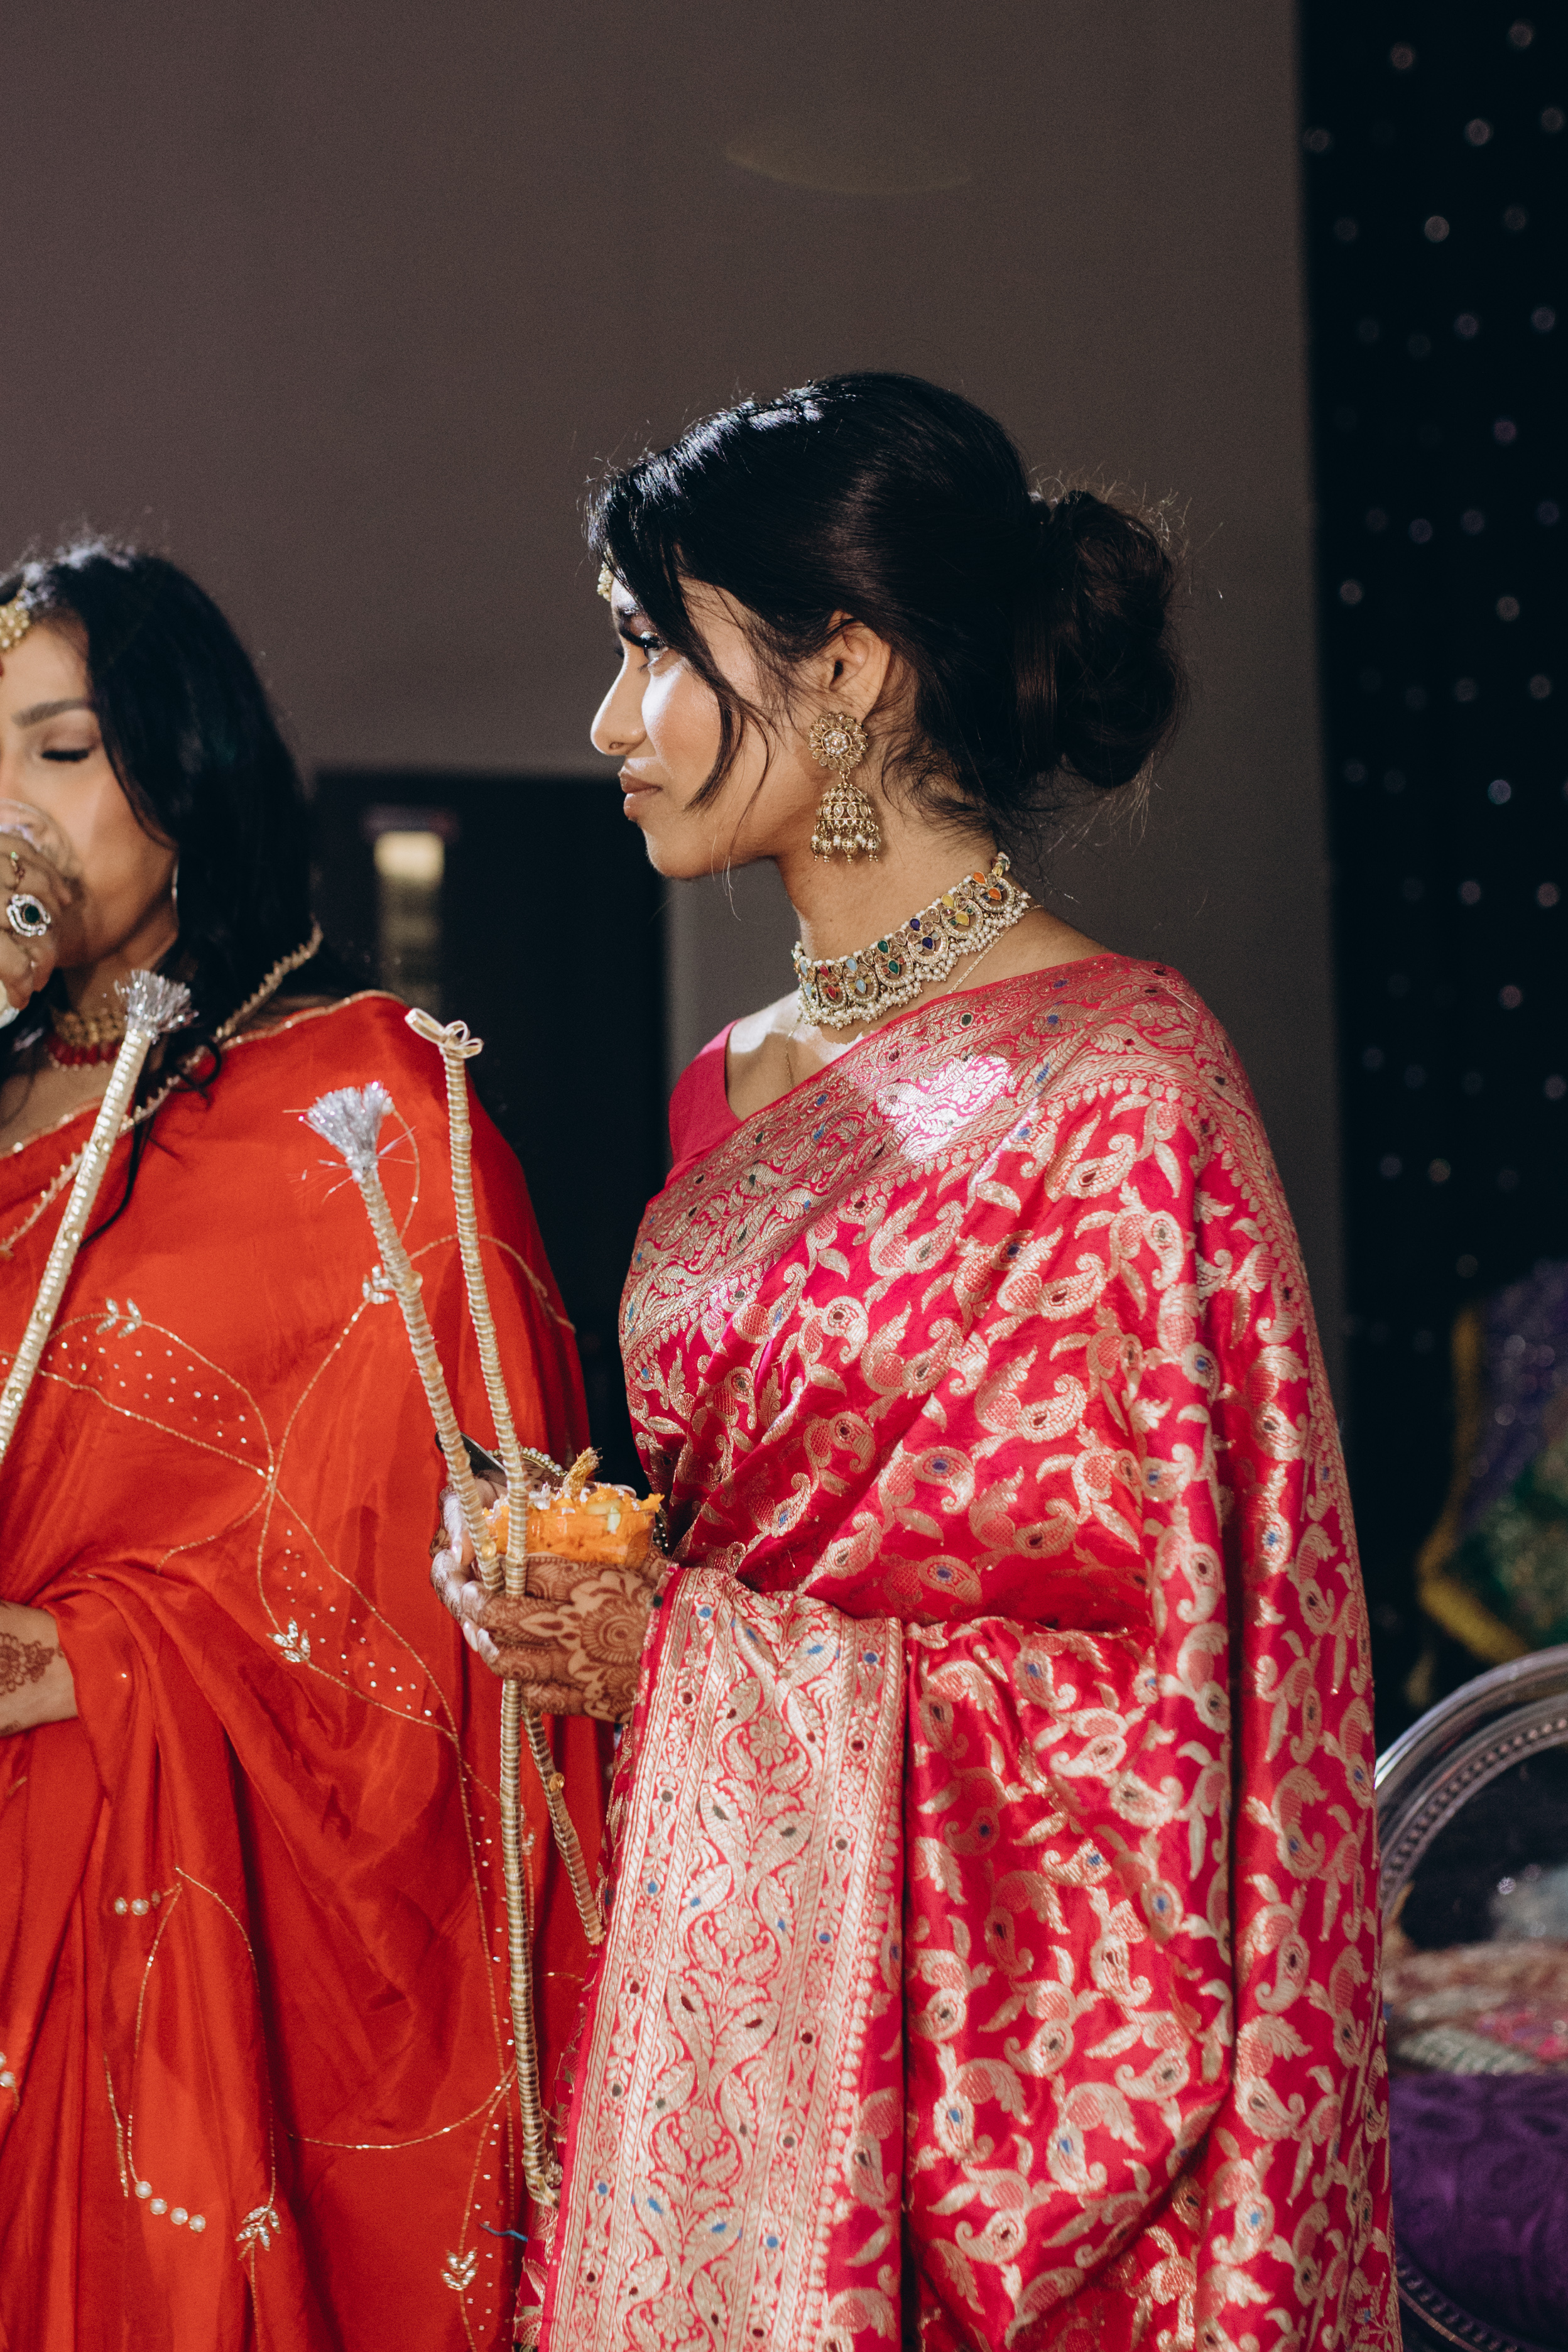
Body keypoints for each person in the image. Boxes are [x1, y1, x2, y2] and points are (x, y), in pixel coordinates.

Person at [430, 372, 1396, 2352]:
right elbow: (746, 1538)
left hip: (999, 2086)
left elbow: (1170, 1729)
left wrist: (683, 1659)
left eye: (653, 648)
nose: (611, 722)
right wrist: (595, 1592)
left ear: (849, 671)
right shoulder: (730, 1088)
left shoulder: (1125, 1095)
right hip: (733, 1999)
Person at [0, 543, 602, 2352]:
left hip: (143, 1904)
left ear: (186, 767)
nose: (9, 810)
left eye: (60, 750)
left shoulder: (362, 1106)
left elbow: (447, 1607)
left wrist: (92, 1661)